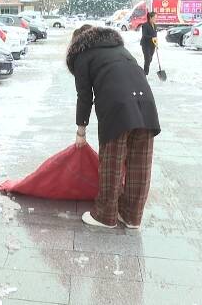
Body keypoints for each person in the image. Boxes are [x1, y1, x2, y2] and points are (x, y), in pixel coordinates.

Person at [66, 25, 161, 229]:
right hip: (147, 106)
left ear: (76, 42)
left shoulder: (83, 54)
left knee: (112, 163)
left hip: (117, 108)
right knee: (139, 165)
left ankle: (105, 215)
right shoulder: (119, 49)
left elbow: (84, 97)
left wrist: (81, 131)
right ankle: (132, 216)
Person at [140, 12, 158, 76]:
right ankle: (145, 74)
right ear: (150, 17)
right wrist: (152, 38)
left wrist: (156, 44)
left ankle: (144, 71)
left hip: (152, 45)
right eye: (154, 18)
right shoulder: (145, 25)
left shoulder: (155, 25)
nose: (156, 19)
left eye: (156, 18)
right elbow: (144, 35)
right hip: (145, 44)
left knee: (150, 59)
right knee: (147, 59)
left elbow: (155, 35)